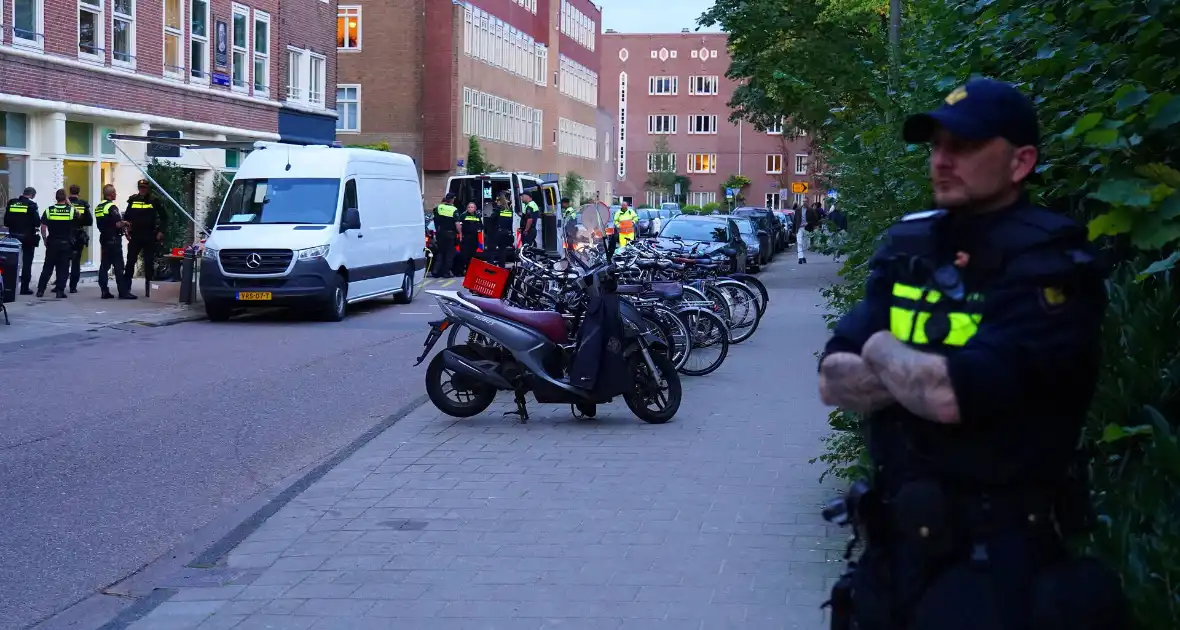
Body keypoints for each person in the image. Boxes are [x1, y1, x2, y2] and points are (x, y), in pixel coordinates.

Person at [817, 78, 1127, 630]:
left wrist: (879, 343)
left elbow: (947, 396)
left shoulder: (1050, 265)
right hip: (893, 558)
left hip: (997, 563)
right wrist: (918, 371)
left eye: (964, 146)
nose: (942, 160)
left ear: (1020, 161)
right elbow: (833, 382)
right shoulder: (909, 245)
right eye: (936, 146)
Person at [122, 179, 167, 297]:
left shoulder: (154, 200)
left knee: (149, 263)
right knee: (130, 261)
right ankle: (126, 290)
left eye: (144, 188)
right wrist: (126, 230)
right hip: (135, 235)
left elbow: (164, 217)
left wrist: (161, 231)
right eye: (140, 187)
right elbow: (126, 216)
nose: (142, 190)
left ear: (148, 188)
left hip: (149, 234)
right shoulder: (132, 200)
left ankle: (149, 290)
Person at [93, 184, 134, 299]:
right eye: (114, 193)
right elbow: (117, 224)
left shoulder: (99, 207)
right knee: (119, 266)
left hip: (104, 238)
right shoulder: (111, 207)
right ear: (110, 194)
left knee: (104, 265)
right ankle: (123, 292)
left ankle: (104, 291)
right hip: (114, 239)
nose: (116, 194)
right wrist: (125, 223)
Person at [35, 189, 75, 299]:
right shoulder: (70, 210)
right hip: (65, 243)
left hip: (52, 242)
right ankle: (60, 291)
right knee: (63, 268)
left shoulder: (49, 210)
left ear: (56, 198)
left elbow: (43, 227)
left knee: (47, 267)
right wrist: (69, 202)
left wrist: (44, 240)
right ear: (65, 198)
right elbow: (79, 215)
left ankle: (40, 290)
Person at [3, 186, 38, 295]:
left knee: (11, 262)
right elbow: (37, 222)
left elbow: (6, 222)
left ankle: (8, 286)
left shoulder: (12, 203)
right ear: (32, 195)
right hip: (28, 237)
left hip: (13, 237)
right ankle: (24, 288)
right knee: (27, 263)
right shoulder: (31, 205)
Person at [66, 184, 92, 293]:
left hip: (66, 235)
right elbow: (89, 221)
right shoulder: (83, 205)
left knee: (63, 262)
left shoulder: (65, 204)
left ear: (69, 191)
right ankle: (73, 287)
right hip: (78, 235)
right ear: (78, 192)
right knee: (76, 263)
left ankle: (60, 284)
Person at [431, 192, 460, 278]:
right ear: (452, 199)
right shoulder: (454, 209)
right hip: (450, 234)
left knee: (440, 252)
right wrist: (460, 233)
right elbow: (457, 224)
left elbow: (434, 214)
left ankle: (435, 271)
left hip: (440, 234)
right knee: (449, 254)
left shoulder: (439, 207)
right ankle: (446, 272)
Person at [457, 201, 483, 275]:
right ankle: (461, 270)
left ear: (475, 208)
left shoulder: (477, 216)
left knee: (472, 256)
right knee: (464, 256)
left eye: (472, 207)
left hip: (474, 238)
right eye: (469, 207)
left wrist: (479, 229)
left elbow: (481, 225)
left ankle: (469, 270)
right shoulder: (463, 216)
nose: (470, 208)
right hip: (465, 238)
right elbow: (460, 226)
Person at [490, 193, 515, 267]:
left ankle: (491, 266)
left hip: (498, 232)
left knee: (491, 250)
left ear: (499, 201)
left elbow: (492, 218)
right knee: (502, 251)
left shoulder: (498, 209)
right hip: (506, 232)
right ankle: (502, 266)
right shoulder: (509, 211)